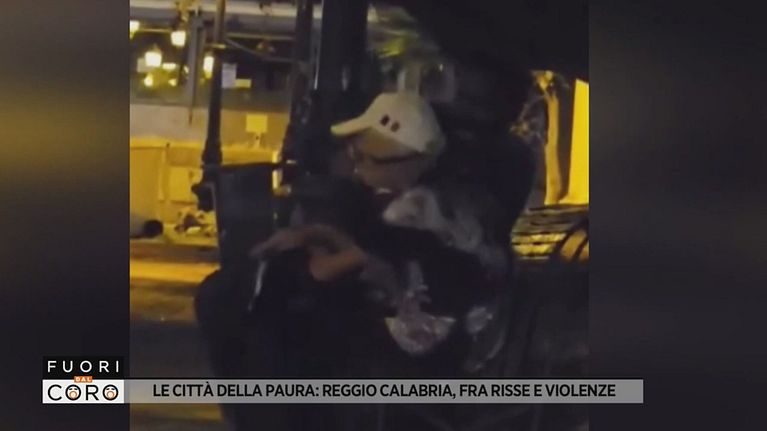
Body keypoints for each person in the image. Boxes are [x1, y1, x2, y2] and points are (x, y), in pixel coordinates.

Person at [251, 92, 513, 376]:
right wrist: (314, 233)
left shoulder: (409, 211)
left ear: (398, 160)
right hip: (466, 337)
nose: (356, 168)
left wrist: (297, 258)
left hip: (423, 351)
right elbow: (369, 251)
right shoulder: (449, 201)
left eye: (361, 158)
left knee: (299, 319)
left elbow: (329, 270)